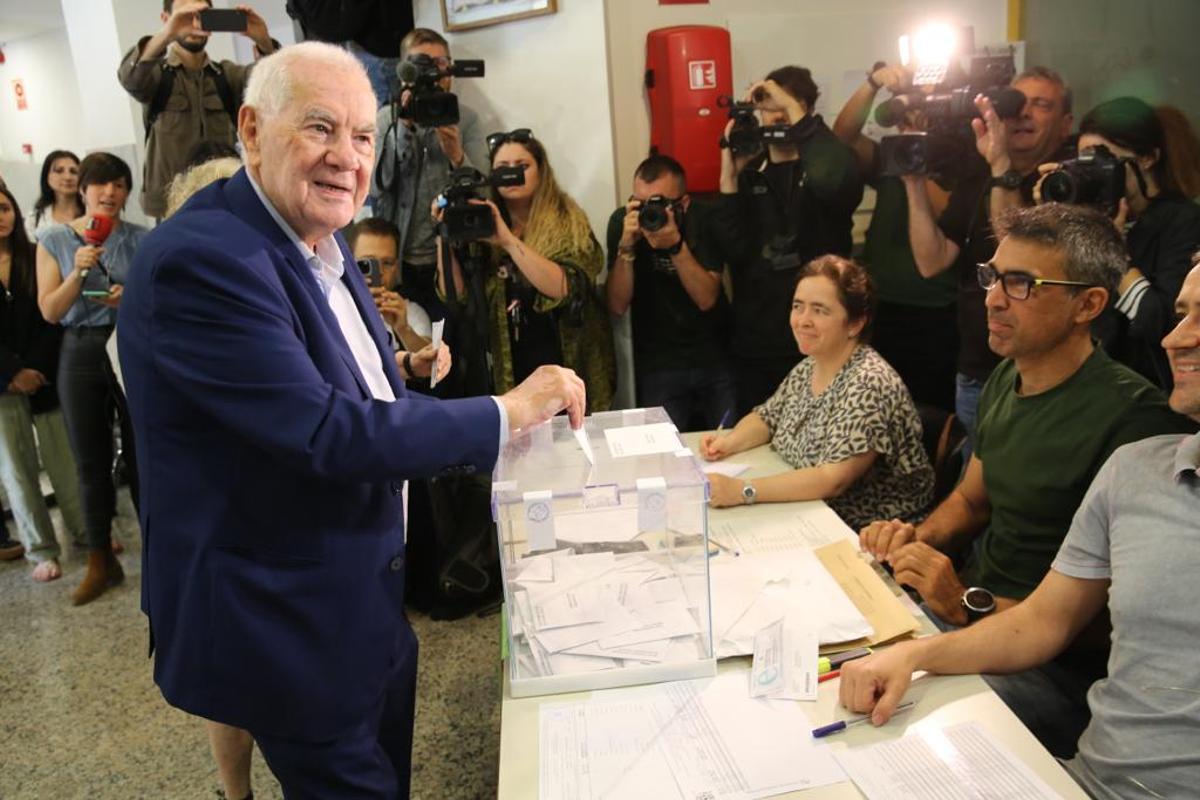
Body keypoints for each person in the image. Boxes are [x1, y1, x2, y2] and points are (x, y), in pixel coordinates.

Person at [116, 42, 584, 798]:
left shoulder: (315, 239)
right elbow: (323, 431)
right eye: (320, 128)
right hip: (282, 625)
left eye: (363, 136)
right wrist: (506, 413)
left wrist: (443, 401)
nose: (347, 157)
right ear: (252, 128)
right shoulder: (205, 261)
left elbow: (358, 401)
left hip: (359, 608)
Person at [842, 259, 1200, 799]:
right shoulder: (1138, 469)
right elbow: (1042, 619)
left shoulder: (1130, 415)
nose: (1175, 339)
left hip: (1061, 692)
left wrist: (963, 603)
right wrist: (910, 656)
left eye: (1021, 283)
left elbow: (1086, 637)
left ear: (1089, 306)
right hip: (1085, 777)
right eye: (1181, 314)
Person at [904, 66, 1075, 450]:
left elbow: (1014, 253)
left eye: (1041, 105)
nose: (1023, 113)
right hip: (978, 366)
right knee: (974, 478)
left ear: (1065, 125)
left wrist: (1001, 167)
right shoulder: (976, 177)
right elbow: (931, 261)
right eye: (1016, 103)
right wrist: (913, 187)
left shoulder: (1065, 183)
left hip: (1038, 370)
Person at [700, 256, 933, 531]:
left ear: (855, 323)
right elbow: (766, 418)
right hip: (808, 513)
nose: (803, 321)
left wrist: (742, 491)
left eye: (820, 310)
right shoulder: (811, 364)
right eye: (798, 307)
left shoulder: (869, 383)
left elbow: (832, 478)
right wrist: (730, 442)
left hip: (864, 535)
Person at [713, 66, 864, 415]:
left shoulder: (826, 166)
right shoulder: (751, 174)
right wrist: (729, 178)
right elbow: (731, 250)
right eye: (769, 108)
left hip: (824, 343)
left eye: (787, 109)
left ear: (806, 113)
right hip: (759, 343)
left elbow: (837, 184)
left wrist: (794, 115)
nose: (777, 117)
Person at [36, 152, 149, 605]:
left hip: (130, 344)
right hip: (79, 348)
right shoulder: (54, 238)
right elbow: (50, 310)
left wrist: (131, 300)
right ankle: (101, 559)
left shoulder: (142, 239)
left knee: (144, 453)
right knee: (90, 461)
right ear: (81, 189)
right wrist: (80, 270)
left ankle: (160, 553)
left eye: (119, 185)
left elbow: (161, 300)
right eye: (101, 184)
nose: (110, 193)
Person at [438, 129, 617, 411]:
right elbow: (455, 296)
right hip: (511, 366)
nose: (511, 175)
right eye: (502, 169)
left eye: (522, 167)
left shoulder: (567, 220)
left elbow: (565, 287)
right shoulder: (480, 219)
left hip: (566, 356)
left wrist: (507, 241)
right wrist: (444, 234)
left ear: (541, 171)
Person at [1047, 97, 1200, 390]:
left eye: (1101, 159)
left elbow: (1160, 322)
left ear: (1147, 158)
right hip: (1092, 385)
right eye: (1083, 160)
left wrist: (1113, 252)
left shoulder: (1183, 221)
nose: (1089, 171)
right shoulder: (1088, 220)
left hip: (1148, 393)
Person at [833, 64, 958, 412]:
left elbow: (945, 213)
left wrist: (922, 153)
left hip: (935, 311)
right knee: (879, 407)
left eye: (927, 106)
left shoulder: (960, 162)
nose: (917, 113)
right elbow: (842, 136)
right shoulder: (892, 156)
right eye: (914, 104)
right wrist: (873, 84)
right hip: (882, 304)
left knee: (929, 414)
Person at [605, 154, 733, 430]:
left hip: (714, 353)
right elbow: (616, 305)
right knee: (663, 457)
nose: (650, 213)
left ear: (683, 203)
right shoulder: (624, 222)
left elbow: (706, 298)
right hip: (658, 361)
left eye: (660, 204)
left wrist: (675, 245)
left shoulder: (704, 219)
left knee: (727, 444)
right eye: (641, 204)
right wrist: (626, 248)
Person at [117, 0, 277, 219]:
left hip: (226, 200)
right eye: (184, 15)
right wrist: (167, 34)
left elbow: (273, 85)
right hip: (171, 207)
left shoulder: (227, 76)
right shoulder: (157, 77)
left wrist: (263, 40)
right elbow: (130, 78)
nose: (192, 23)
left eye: (200, 15)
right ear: (166, 19)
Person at [372, 28, 489, 327]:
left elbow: (486, 195)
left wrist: (456, 155)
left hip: (451, 257)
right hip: (398, 260)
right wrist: (404, 127)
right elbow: (376, 186)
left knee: (451, 346)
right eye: (420, 64)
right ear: (403, 70)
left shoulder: (467, 119)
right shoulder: (387, 118)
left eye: (439, 63)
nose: (432, 72)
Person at [0, 185, 84, 582]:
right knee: (17, 470)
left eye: (3, 208)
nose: (0, 217)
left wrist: (34, 368)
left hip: (43, 374)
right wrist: (12, 373)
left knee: (63, 461)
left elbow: (51, 316)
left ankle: (85, 531)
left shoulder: (36, 253)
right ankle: (41, 549)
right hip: (4, 385)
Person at [25, 150, 84, 243]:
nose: (68, 177)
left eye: (73, 172)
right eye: (59, 171)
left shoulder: (91, 214)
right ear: (47, 177)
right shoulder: (35, 218)